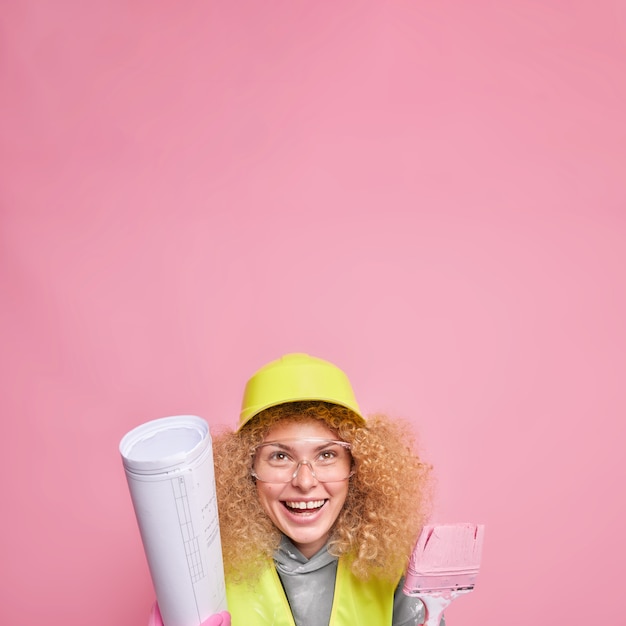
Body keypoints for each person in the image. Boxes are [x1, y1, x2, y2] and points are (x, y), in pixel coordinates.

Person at [152, 352, 439, 626]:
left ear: (356, 466)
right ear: (246, 470)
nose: (304, 481)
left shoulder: (396, 567)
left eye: (326, 455)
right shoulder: (207, 576)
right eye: (280, 456)